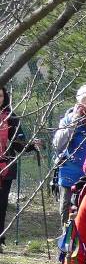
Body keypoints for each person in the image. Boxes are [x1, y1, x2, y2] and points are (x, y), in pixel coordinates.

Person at [53, 84, 86, 224]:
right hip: (70, 177)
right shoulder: (68, 120)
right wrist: (73, 122)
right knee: (68, 218)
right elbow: (58, 145)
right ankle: (67, 243)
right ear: (79, 104)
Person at [0, 84, 40, 250]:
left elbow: (19, 143)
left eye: (0, 96)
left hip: (5, 167)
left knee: (1, 206)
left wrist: (32, 145)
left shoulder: (11, 117)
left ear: (5, 98)